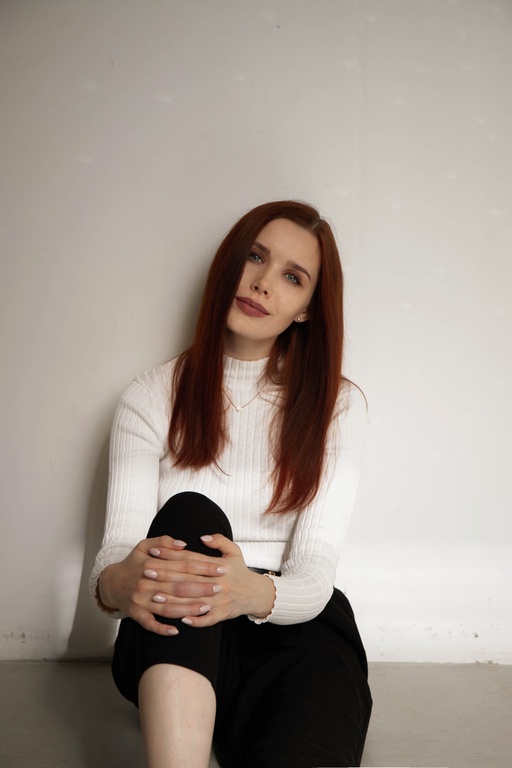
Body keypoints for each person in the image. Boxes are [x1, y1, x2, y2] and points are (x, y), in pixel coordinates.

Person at [90, 200, 372, 768]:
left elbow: (315, 570)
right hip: (175, 626)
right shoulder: (151, 396)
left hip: (292, 626)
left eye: (293, 277)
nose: (264, 283)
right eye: (255, 257)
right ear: (228, 264)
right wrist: (120, 584)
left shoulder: (337, 406)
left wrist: (246, 591)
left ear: (307, 309)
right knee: (191, 515)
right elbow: (115, 562)